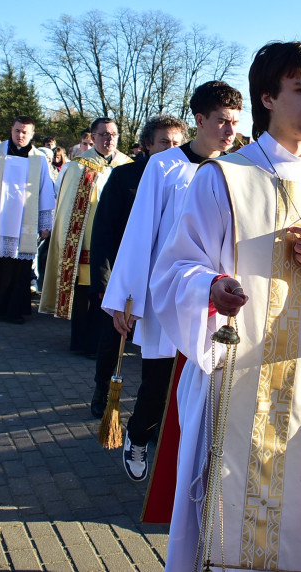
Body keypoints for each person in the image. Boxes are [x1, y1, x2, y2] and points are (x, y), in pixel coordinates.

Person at [150, 41, 301, 572]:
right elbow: (174, 269)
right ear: (267, 97)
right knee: (222, 519)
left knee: (300, 521)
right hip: (231, 378)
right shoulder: (223, 177)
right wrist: (210, 287)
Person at [101, 82, 241, 480]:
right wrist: (126, 298)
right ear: (200, 120)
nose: (230, 131)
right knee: (159, 381)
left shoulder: (238, 168)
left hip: (215, 294)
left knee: (210, 383)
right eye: (222, 121)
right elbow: (141, 232)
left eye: (235, 122)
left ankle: (193, 458)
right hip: (168, 292)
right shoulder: (164, 166)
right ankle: (139, 436)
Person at [89, 114, 190, 418]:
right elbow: (104, 231)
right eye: (164, 142)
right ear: (147, 144)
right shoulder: (125, 176)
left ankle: (155, 409)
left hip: (162, 277)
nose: (171, 149)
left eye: (176, 143)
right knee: (113, 340)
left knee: (159, 352)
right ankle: (103, 391)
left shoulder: (187, 177)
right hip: (127, 275)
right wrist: (105, 282)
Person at [38, 118, 132, 355]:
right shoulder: (78, 167)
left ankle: (109, 343)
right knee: (86, 297)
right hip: (86, 242)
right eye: (104, 134)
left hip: (117, 242)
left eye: (113, 134)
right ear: (93, 137)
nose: (109, 139)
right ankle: (83, 343)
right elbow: (67, 212)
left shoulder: (128, 166)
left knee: (112, 293)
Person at [0, 116, 56, 323]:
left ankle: (15, 310)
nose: (20, 135)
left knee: (19, 269)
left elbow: (46, 191)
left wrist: (45, 223)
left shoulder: (39, 158)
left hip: (24, 223)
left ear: (32, 134)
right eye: (17, 130)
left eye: (25, 132)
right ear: (11, 130)